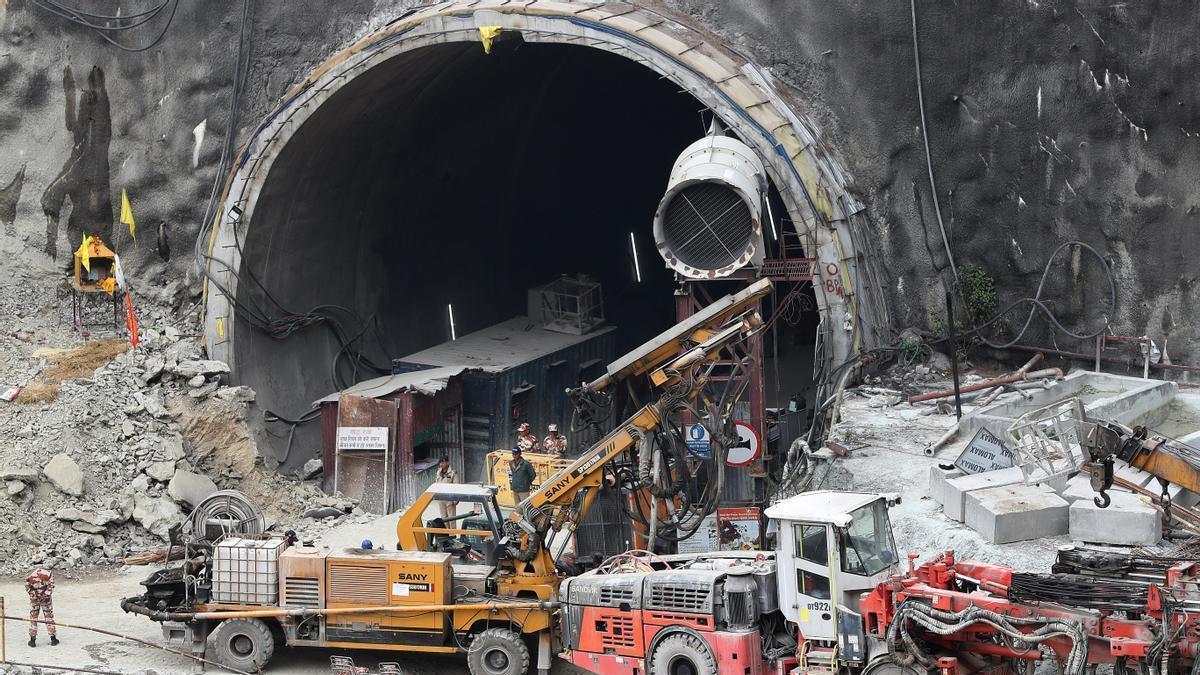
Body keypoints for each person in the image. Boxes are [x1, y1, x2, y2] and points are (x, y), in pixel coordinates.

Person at [26, 553, 58, 647]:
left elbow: (28, 587)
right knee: (49, 617)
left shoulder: (29, 572)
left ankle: (32, 640)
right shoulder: (48, 572)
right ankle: (53, 639)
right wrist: (45, 595)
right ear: (42, 560)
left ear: (33, 561)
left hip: (34, 599)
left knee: (33, 618)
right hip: (46, 599)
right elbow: (51, 585)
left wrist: (35, 595)